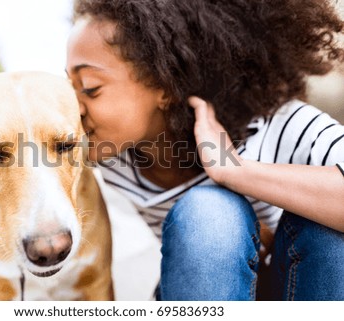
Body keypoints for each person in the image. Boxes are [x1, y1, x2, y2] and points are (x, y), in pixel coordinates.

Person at [65, 0, 344, 300]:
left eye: (91, 87)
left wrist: (235, 170)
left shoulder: (279, 126)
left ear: (165, 85)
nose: (73, 106)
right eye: (69, 86)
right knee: (207, 213)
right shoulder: (113, 154)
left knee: (322, 230)